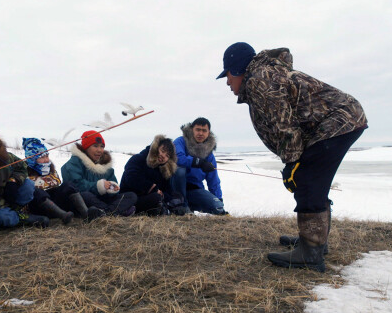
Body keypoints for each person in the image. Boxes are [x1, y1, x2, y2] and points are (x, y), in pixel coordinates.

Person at [216, 42, 368, 272]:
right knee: (311, 180)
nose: (227, 82)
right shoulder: (263, 76)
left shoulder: (260, 80)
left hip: (338, 122)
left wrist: (292, 163)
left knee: (307, 179)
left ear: (237, 69)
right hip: (343, 120)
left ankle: (311, 252)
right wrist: (294, 162)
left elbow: (283, 126)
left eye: (227, 75)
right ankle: (314, 242)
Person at [22, 137, 105, 223]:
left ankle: (86, 213)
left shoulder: (51, 171)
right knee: (37, 191)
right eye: (42, 157)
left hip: (55, 204)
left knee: (68, 185)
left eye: (47, 156)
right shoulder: (24, 174)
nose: (46, 160)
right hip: (38, 208)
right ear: (32, 159)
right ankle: (63, 215)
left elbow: (57, 186)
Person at [61, 130, 137, 216]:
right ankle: (116, 211)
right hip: (83, 201)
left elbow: (114, 187)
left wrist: (112, 188)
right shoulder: (74, 163)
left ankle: (106, 212)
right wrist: (99, 186)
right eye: (95, 146)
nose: (99, 150)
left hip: (101, 201)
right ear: (86, 147)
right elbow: (75, 186)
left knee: (131, 196)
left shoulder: (106, 167)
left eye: (102, 147)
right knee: (85, 195)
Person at [172, 117, 228, 215]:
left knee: (217, 206)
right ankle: (181, 206)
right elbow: (178, 159)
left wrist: (218, 198)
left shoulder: (209, 154)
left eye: (204, 130)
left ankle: (190, 206)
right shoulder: (180, 141)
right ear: (192, 130)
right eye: (198, 130)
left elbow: (213, 180)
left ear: (208, 133)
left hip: (194, 190)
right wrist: (199, 163)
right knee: (179, 170)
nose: (200, 133)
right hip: (175, 188)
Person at [120, 135, 186, 215]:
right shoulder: (138, 159)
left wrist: (165, 196)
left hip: (150, 198)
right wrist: (152, 188)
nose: (163, 155)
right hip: (130, 198)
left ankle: (167, 209)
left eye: (167, 155)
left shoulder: (164, 170)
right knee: (155, 198)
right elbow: (131, 178)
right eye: (162, 150)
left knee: (176, 196)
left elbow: (167, 189)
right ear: (156, 147)